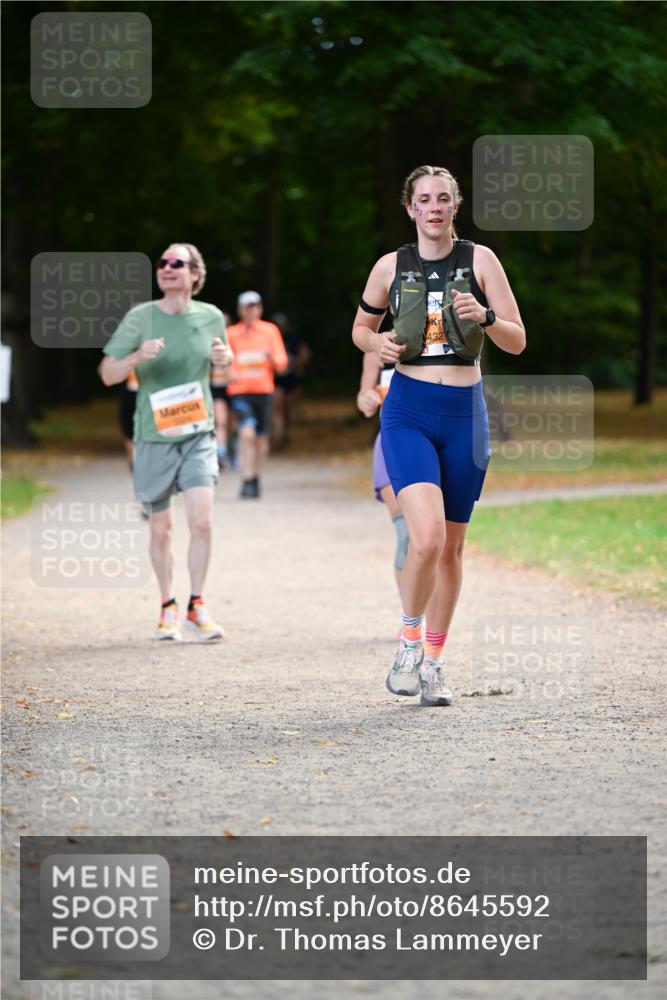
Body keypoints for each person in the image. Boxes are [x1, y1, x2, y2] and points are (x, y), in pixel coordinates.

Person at [352, 165, 525, 706]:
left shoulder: (481, 261)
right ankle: (407, 641)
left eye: (443, 199)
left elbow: (517, 340)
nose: (433, 207)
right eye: (423, 199)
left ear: (455, 206)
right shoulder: (390, 266)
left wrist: (487, 314)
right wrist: (374, 346)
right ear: (410, 208)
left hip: (464, 414)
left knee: (451, 550)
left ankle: (433, 663)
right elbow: (360, 327)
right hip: (408, 410)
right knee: (423, 539)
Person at [99, 243, 233, 642]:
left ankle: (197, 604)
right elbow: (107, 373)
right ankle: (167, 606)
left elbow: (225, 369)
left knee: (203, 521)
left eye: (178, 263)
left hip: (197, 432)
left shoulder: (210, 316)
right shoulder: (140, 317)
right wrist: (136, 356)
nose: (168, 268)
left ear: (195, 274)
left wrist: (225, 361)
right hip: (153, 435)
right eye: (163, 263)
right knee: (162, 530)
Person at [356, 350, 408, 619]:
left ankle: (428, 608)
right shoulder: (378, 348)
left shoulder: (443, 338)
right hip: (390, 448)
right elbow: (365, 402)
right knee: (407, 534)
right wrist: (368, 398)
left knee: (432, 539)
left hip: (433, 448)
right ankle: (411, 616)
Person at [225, 291, 288, 498]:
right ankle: (246, 477)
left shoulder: (270, 331)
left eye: (255, 306)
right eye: (246, 307)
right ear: (240, 310)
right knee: (247, 432)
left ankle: (255, 477)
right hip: (240, 392)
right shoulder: (231, 334)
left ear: (260, 308)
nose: (251, 311)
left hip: (263, 391)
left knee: (261, 439)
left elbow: (282, 363)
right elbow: (224, 361)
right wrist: (228, 370)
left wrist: (271, 359)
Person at [270, 313, 310, 450]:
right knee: (278, 408)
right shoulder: (270, 338)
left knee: (286, 409)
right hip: (276, 380)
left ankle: (284, 435)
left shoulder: (292, 338)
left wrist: (295, 363)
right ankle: (278, 437)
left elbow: (305, 354)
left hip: (291, 379)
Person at [210, 312, 232, 469]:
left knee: (235, 423)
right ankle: (221, 453)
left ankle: (233, 449)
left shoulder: (235, 338)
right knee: (221, 421)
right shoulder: (208, 341)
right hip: (217, 386)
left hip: (237, 387)